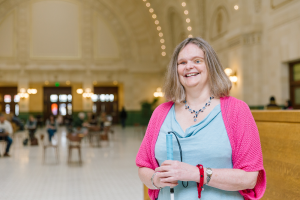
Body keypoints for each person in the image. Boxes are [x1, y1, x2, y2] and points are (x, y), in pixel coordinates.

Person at [136, 37, 266, 200]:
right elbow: (143, 167)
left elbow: (249, 178)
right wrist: (156, 180)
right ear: (176, 71)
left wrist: (197, 173)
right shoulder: (161, 113)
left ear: (210, 66)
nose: (189, 66)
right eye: (182, 62)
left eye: (197, 60)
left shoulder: (237, 110)